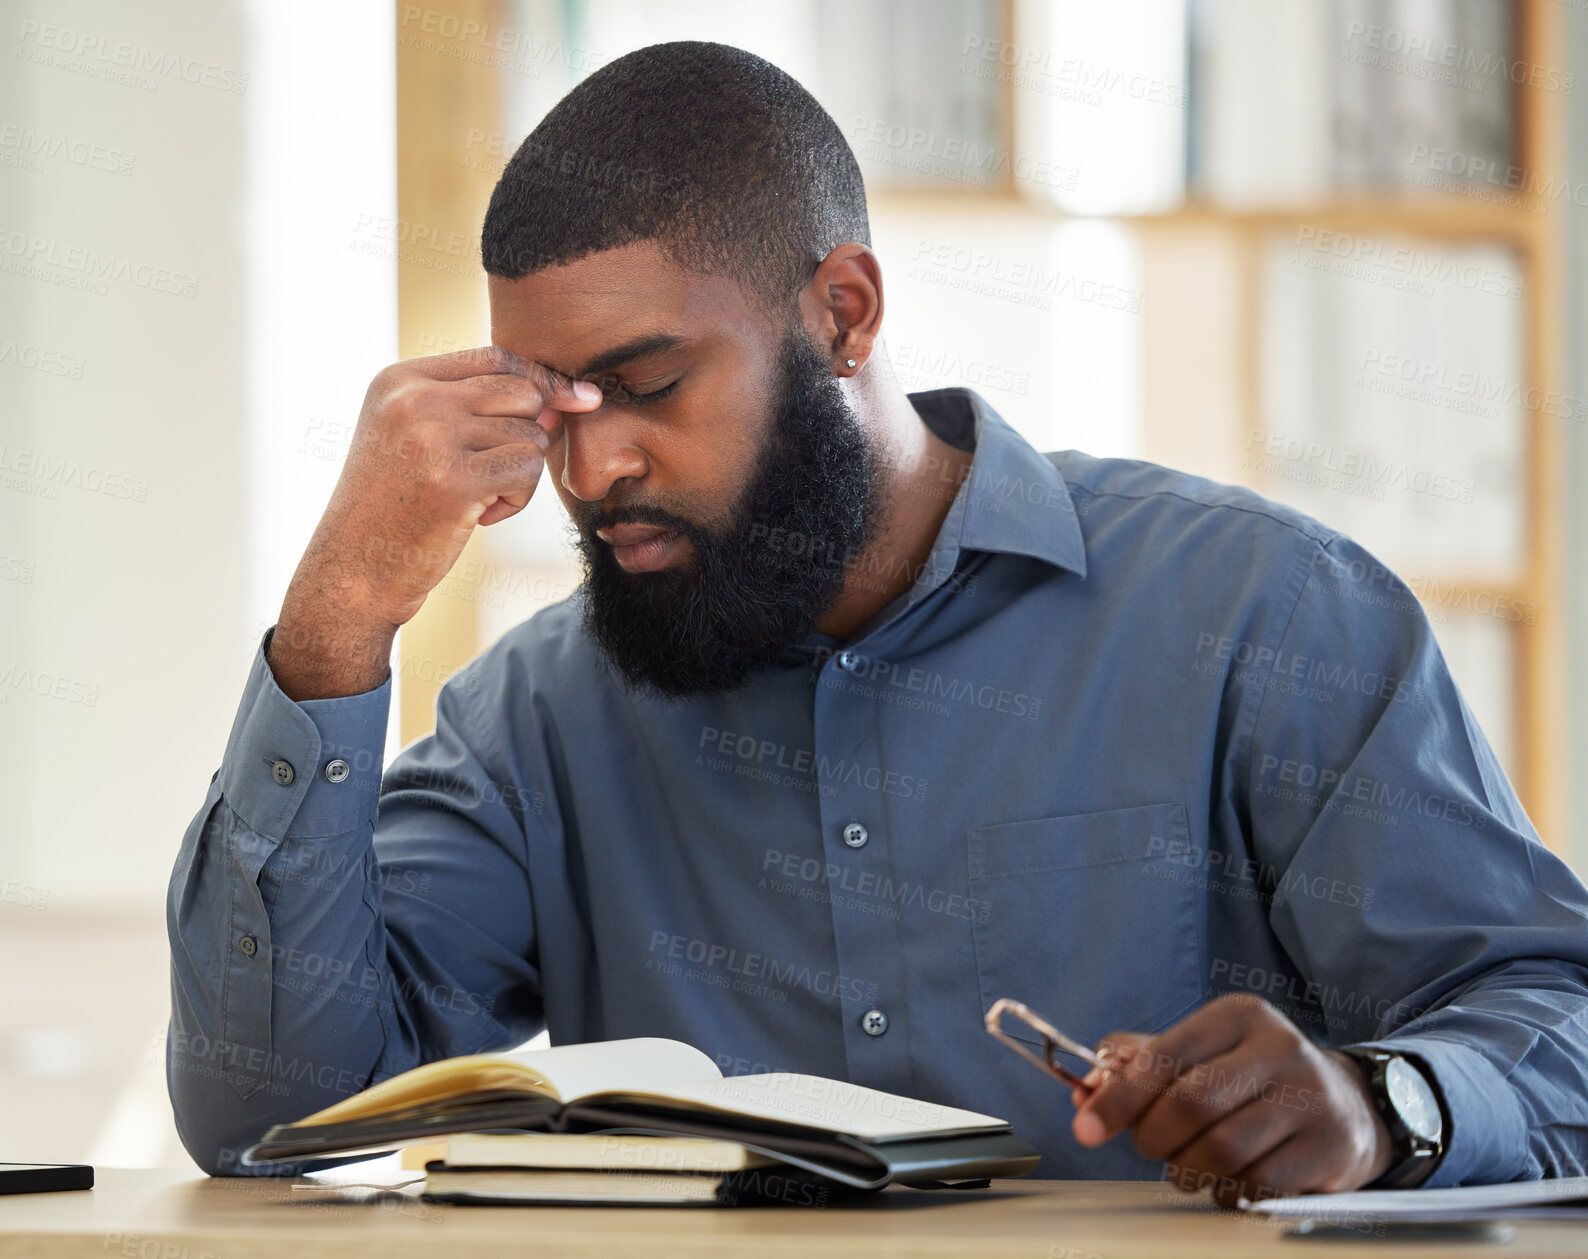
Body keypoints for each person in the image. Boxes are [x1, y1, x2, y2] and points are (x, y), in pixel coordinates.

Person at [166, 41, 1588, 1200]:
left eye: (650, 386)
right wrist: (341, 614)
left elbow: (1554, 1019)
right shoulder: (538, 719)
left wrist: (1386, 1101)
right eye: (553, 413)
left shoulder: (1260, 613)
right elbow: (267, 1115)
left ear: (843, 312)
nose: (591, 475)